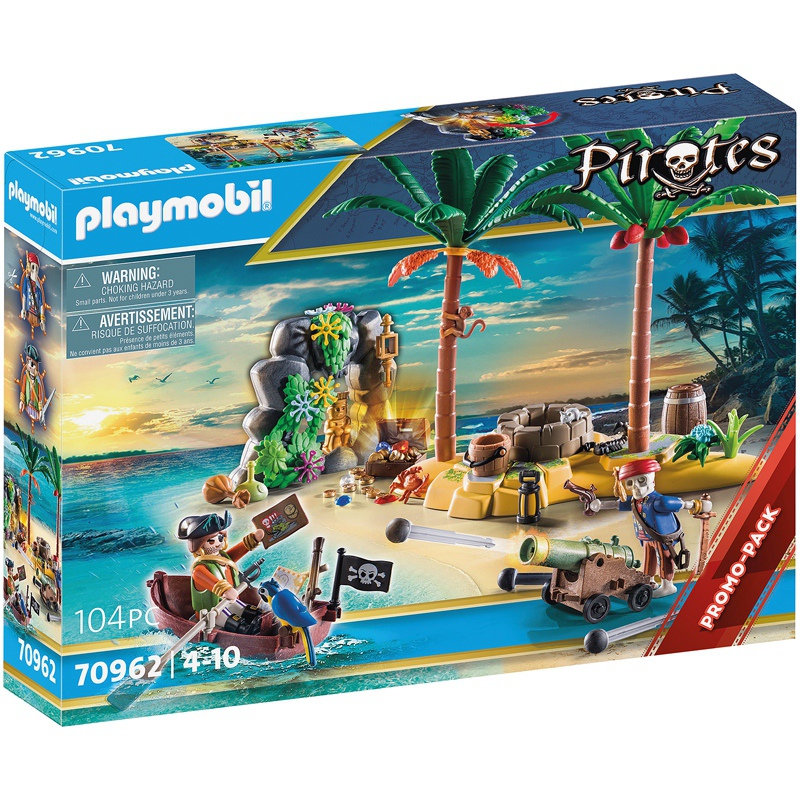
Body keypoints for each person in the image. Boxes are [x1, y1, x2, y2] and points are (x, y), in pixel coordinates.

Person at [589, 459, 712, 597]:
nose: (636, 487)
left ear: (652, 481)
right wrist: (600, 505)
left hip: (662, 538)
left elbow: (681, 504)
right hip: (646, 538)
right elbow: (618, 504)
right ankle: (649, 581)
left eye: (641, 480)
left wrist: (698, 505)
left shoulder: (659, 501)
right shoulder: (634, 502)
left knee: (664, 560)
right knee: (649, 560)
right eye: (630, 483)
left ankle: (668, 585)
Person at [177, 511, 266, 632]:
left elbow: (237, 552)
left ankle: (265, 624)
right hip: (211, 611)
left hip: (229, 601)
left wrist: (253, 539)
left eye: (220, 538)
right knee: (241, 626)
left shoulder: (222, 557)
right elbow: (212, 582)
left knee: (255, 614)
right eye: (211, 541)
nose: (218, 543)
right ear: (199, 545)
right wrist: (226, 590)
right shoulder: (199, 569)